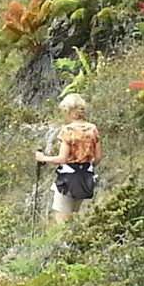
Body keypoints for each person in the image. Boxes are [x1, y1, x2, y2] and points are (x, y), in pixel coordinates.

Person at [34, 94, 102, 222]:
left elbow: (62, 159)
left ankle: (62, 242)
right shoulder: (93, 129)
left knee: (62, 220)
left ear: (68, 111)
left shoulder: (68, 131)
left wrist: (43, 158)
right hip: (86, 177)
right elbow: (98, 157)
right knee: (74, 216)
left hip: (68, 179)